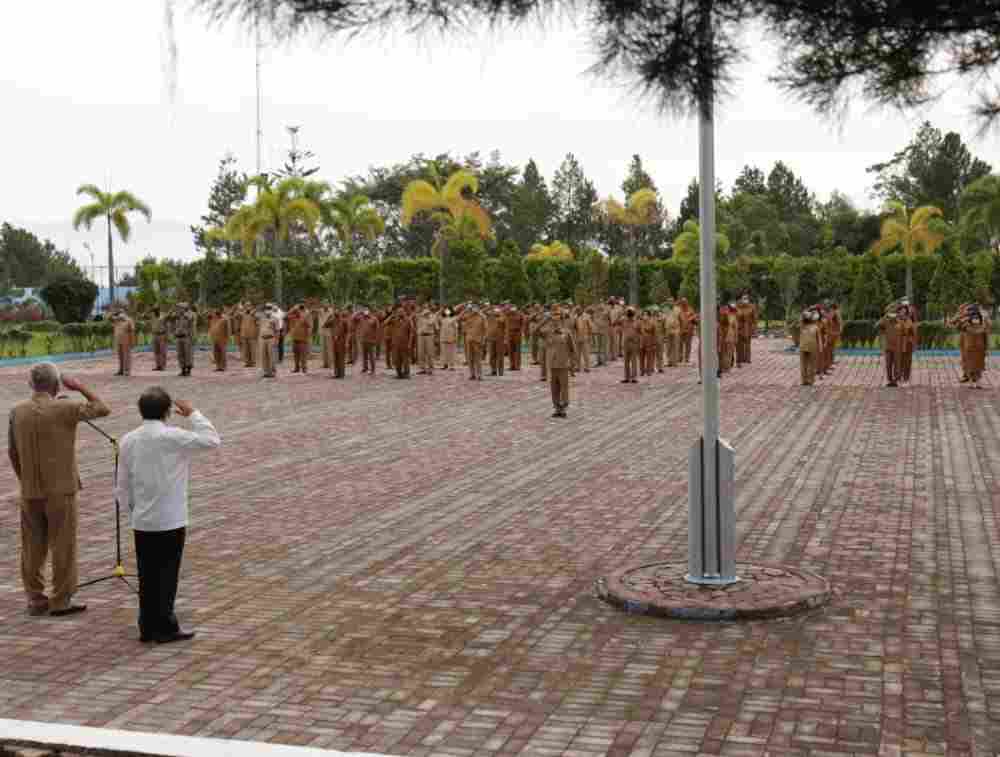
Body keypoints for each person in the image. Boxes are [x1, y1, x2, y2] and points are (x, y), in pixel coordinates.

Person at [115, 387, 220, 643]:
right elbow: (212, 439)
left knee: (147, 575)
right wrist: (193, 414)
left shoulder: (128, 440)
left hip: (143, 519)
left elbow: (122, 484)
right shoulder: (174, 436)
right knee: (167, 575)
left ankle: (147, 625)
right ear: (167, 412)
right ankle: (165, 626)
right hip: (170, 517)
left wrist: (131, 511)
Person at [9, 364, 110, 616]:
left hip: (30, 489)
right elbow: (102, 408)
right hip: (61, 489)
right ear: (56, 385)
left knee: (32, 546)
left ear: (31, 384)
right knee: (63, 545)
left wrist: (25, 480)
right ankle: (61, 600)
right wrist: (78, 386)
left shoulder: (17, 411)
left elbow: (12, 452)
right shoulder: (65, 407)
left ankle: (35, 599)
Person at [545, 317, 576, 418]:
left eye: (557, 320)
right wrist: (545, 320)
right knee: (554, 388)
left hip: (563, 364)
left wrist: (572, 363)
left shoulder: (567, 333)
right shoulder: (548, 333)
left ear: (561, 321)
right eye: (553, 321)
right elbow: (535, 332)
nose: (555, 323)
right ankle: (557, 408)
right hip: (552, 365)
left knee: (564, 387)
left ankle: (563, 408)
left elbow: (572, 349)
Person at [878, 306, 904, 387]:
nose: (892, 315)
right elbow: (877, 325)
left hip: (897, 347)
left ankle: (895, 380)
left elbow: (906, 332)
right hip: (888, 346)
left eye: (893, 312)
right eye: (890, 312)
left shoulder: (900, 321)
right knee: (888, 364)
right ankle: (890, 380)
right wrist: (885, 316)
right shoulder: (885, 321)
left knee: (897, 364)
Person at [170, 303, 196, 377]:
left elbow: (190, 319)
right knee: (180, 354)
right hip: (178, 337)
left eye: (180, 307)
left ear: (184, 308)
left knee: (188, 354)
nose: (178, 309)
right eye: (178, 308)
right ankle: (183, 369)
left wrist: (183, 313)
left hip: (186, 337)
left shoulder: (190, 314)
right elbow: (171, 319)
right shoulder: (177, 316)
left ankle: (188, 370)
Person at [798, 310, 821, 386]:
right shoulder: (815, 327)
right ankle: (811, 380)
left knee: (803, 364)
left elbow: (801, 317)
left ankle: (804, 380)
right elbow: (819, 339)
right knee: (812, 364)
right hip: (812, 347)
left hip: (803, 347)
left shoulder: (802, 326)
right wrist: (820, 348)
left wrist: (808, 313)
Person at [112, 310, 135, 377]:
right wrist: (114, 313)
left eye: (121, 313)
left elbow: (132, 331)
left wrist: (132, 341)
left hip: (126, 340)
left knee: (127, 356)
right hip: (118, 340)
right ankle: (121, 370)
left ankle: (127, 371)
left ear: (124, 313)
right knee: (120, 356)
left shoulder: (129, 320)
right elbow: (108, 317)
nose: (120, 315)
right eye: (119, 313)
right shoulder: (117, 320)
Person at [149, 306, 169, 371]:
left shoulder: (163, 316)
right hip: (155, 335)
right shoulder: (152, 316)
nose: (154, 312)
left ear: (158, 310)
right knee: (156, 351)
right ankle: (158, 366)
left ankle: (163, 366)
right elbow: (143, 316)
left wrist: (166, 335)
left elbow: (167, 326)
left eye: (155, 310)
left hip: (162, 335)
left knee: (163, 351)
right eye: (153, 311)